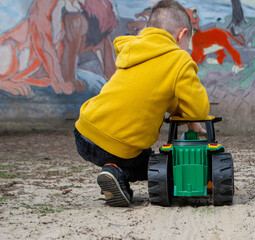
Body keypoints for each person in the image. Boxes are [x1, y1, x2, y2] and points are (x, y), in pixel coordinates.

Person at [74, 0, 209, 207]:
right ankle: (116, 171)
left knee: (128, 154)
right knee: (156, 165)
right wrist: (195, 123)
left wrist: (176, 107)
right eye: (186, 44)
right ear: (181, 36)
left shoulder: (133, 48)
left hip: (85, 132)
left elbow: (156, 91)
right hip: (120, 146)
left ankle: (113, 175)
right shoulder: (179, 59)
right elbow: (198, 107)